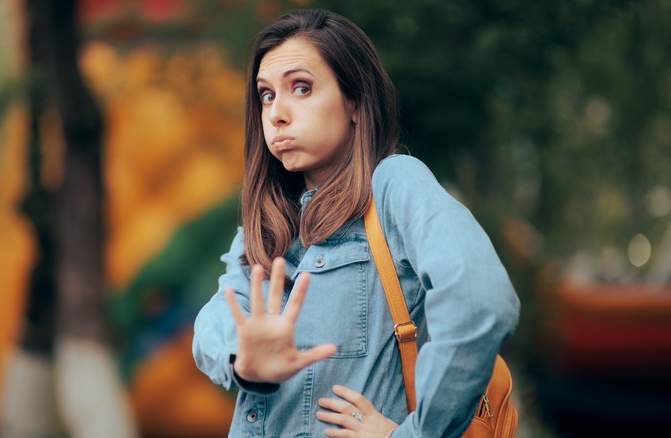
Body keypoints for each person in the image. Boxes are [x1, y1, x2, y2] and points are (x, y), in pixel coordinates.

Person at [192, 8, 520, 437]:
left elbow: (480, 300)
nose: (276, 113)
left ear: (355, 103)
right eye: (267, 95)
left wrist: (416, 434)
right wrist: (243, 360)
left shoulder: (393, 186)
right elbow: (219, 316)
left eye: (302, 88)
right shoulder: (269, 223)